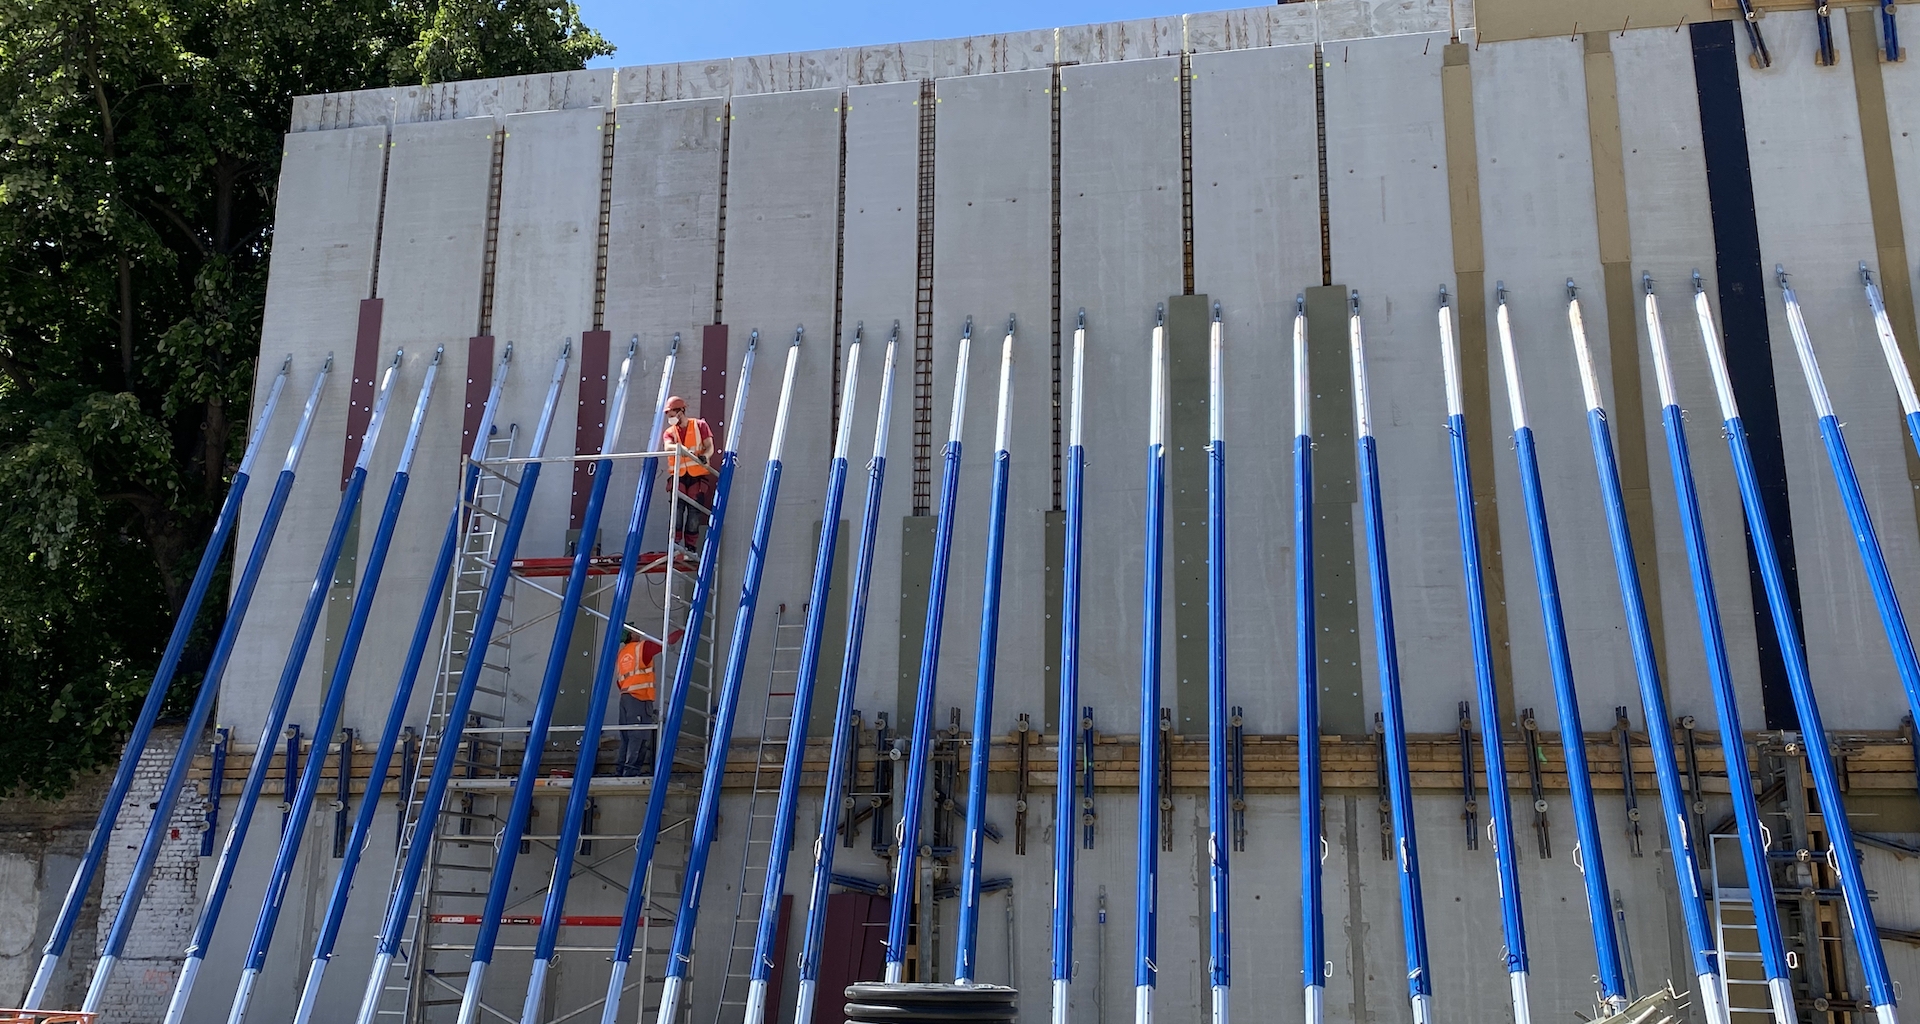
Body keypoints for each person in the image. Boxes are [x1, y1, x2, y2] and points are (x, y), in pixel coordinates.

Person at [663, 395, 715, 555]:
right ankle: (675, 545)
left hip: (697, 476)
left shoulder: (700, 425)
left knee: (694, 512)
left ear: (681, 411)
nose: (670, 419)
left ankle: (690, 547)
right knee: (676, 511)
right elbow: (667, 447)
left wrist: (705, 456)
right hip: (679, 476)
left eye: (672, 415)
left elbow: (709, 446)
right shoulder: (670, 432)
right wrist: (685, 450)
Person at [614, 632, 667, 777]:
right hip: (639, 698)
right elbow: (661, 644)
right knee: (639, 736)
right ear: (631, 635)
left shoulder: (622, 654)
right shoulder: (641, 649)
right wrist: (685, 630)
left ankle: (621, 770)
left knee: (627, 737)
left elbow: (620, 682)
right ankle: (631, 771)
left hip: (626, 697)